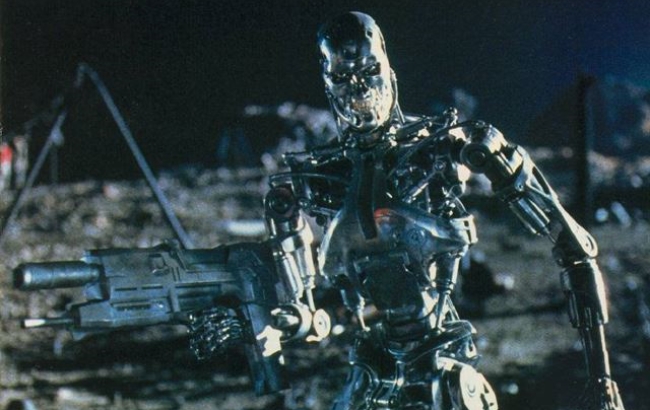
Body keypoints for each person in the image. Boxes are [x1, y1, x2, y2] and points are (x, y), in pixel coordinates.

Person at [193, 12, 624, 409]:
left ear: (389, 73)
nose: (359, 91)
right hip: (373, 364)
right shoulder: (312, 183)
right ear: (328, 86)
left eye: (369, 72)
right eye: (343, 78)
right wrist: (264, 324)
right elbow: (314, 318)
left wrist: (602, 380)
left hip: (441, 363)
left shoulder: (444, 149)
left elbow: (574, 247)